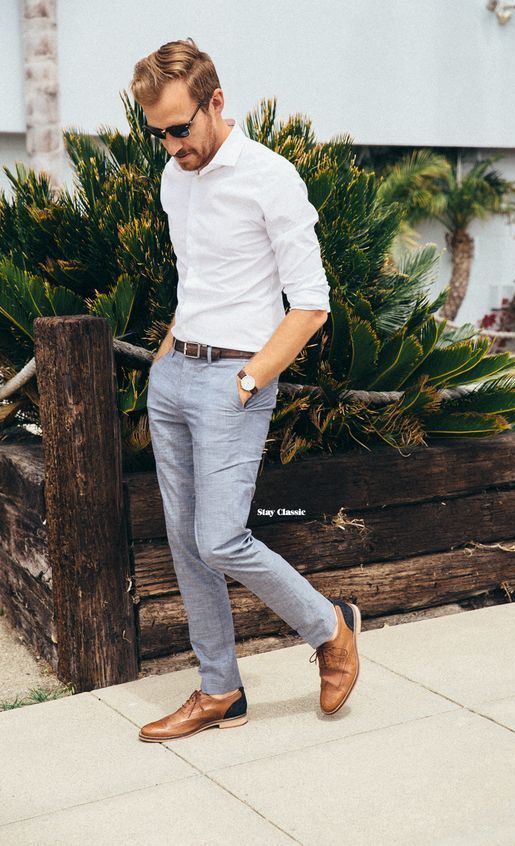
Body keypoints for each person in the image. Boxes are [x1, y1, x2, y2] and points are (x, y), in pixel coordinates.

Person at [130, 37, 361, 743]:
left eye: (180, 128)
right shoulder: (175, 178)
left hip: (234, 379)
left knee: (222, 538)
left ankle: (330, 628)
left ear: (216, 102)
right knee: (186, 542)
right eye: (158, 134)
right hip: (175, 375)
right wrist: (163, 363)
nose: (172, 145)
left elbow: (311, 304)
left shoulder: (271, 177)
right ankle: (220, 690)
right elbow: (195, 282)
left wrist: (248, 380)